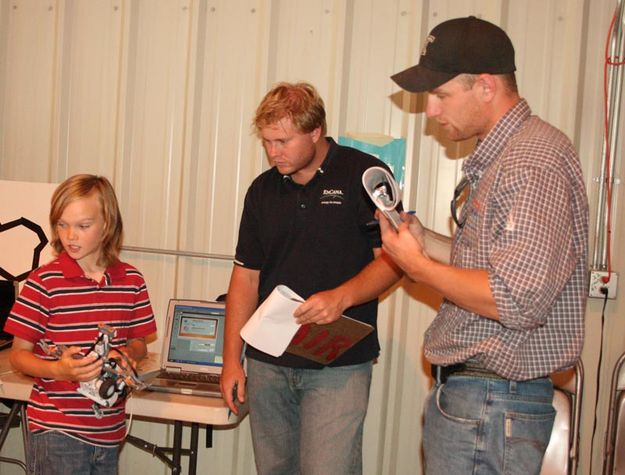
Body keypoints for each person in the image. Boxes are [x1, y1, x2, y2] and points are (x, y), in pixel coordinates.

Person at [381, 16, 588, 474]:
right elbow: (491, 268)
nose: (431, 110)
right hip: (483, 402)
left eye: (440, 95)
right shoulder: (508, 157)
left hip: (491, 403)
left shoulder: (530, 162)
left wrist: (419, 268)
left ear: (487, 87)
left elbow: (515, 298)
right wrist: (425, 241)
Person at [220, 82, 402, 475]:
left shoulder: (365, 175)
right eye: (267, 142)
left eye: (283, 141)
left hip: (338, 366)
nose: (273, 152)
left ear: (315, 131)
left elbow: (395, 259)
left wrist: (343, 297)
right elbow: (245, 279)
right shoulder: (262, 190)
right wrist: (232, 361)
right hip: (268, 364)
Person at [4, 174, 157, 475]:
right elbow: (18, 354)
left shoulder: (132, 281)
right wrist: (57, 370)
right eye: (62, 224)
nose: (71, 235)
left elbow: (140, 341)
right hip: (57, 429)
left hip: (109, 431)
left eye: (83, 226)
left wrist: (126, 355)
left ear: (107, 225)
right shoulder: (43, 282)